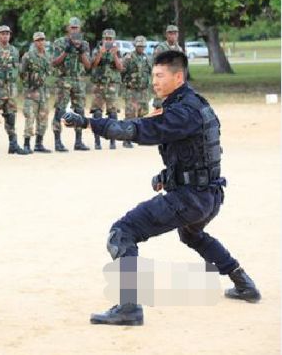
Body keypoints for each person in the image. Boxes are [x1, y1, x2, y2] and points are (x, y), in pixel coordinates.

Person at [62, 50, 261, 326]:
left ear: (178, 77)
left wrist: (88, 122)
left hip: (192, 198)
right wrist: (167, 175)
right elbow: (198, 152)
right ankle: (244, 283)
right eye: (153, 75)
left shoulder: (182, 112)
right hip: (208, 196)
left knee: (122, 233)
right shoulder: (194, 104)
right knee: (191, 235)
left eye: (159, 75)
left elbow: (136, 130)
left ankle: (129, 308)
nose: (154, 81)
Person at [0, 25, 27, 155]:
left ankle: (13, 145)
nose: (5, 36)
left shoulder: (14, 50)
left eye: (7, 33)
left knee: (11, 118)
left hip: (11, 90)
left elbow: (17, 69)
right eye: (2, 34)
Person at [51, 17, 91, 152]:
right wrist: (66, 51)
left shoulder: (84, 44)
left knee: (79, 111)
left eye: (77, 28)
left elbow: (88, 65)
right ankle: (57, 142)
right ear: (68, 28)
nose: (74, 30)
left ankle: (78, 142)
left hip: (79, 81)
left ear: (80, 29)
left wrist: (80, 52)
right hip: (64, 80)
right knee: (60, 110)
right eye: (72, 27)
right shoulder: (60, 42)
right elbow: (54, 62)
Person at [89, 28, 123, 150]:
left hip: (112, 85)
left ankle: (112, 141)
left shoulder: (117, 51)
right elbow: (92, 65)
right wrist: (100, 53)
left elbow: (120, 68)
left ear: (114, 40)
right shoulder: (97, 50)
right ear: (102, 39)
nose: (108, 41)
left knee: (112, 114)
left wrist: (114, 55)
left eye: (110, 39)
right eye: (106, 38)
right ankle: (97, 141)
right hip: (99, 85)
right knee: (97, 113)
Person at [19, 31, 52, 154]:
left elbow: (49, 71)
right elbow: (22, 73)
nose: (41, 42)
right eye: (38, 40)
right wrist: (31, 81)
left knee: (43, 118)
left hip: (43, 92)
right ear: (34, 42)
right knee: (30, 117)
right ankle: (27, 144)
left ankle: (39, 143)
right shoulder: (28, 56)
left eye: (42, 39)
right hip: (31, 92)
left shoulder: (47, 56)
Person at [121, 35, 152, 148]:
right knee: (130, 115)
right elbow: (122, 71)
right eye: (139, 46)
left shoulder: (147, 58)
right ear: (135, 46)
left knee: (142, 114)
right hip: (131, 90)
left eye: (143, 46)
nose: (141, 48)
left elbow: (150, 72)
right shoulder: (129, 57)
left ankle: (140, 137)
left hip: (143, 90)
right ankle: (127, 139)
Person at [152, 25, 183, 109]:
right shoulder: (161, 48)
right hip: (163, 81)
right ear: (166, 35)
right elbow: (155, 64)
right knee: (161, 107)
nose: (173, 36)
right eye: (170, 33)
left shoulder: (179, 49)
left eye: (175, 33)